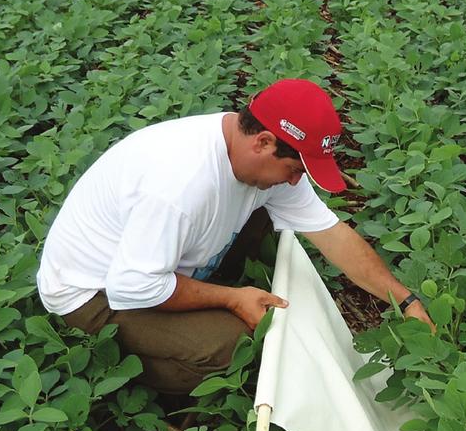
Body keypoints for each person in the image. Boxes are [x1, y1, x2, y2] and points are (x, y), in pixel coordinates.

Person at [36, 78, 434, 395]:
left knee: (268, 212)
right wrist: (231, 299)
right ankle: (110, 365)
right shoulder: (179, 186)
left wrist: (405, 300)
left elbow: (331, 234)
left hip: (152, 263)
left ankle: (201, 297)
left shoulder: (253, 150)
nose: (297, 181)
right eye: (296, 169)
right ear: (263, 142)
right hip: (96, 292)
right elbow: (133, 286)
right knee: (236, 347)